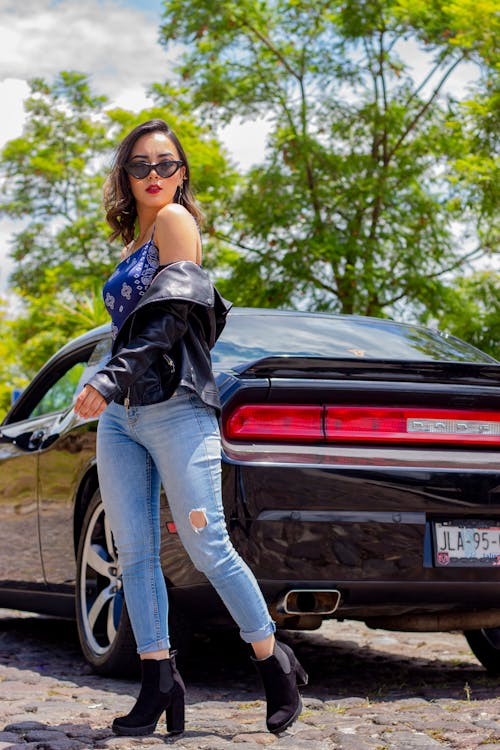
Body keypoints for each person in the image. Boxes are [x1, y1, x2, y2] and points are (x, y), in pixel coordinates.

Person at [73, 119, 308, 737]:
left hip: (176, 408)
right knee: (135, 554)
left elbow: (173, 315)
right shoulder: (135, 243)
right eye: (141, 166)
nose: (154, 177)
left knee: (208, 545)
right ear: (125, 176)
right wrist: (102, 374)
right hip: (124, 418)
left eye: (166, 165)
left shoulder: (177, 224)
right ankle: (159, 680)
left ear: (182, 174)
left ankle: (271, 659)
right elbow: (131, 331)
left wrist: (108, 376)